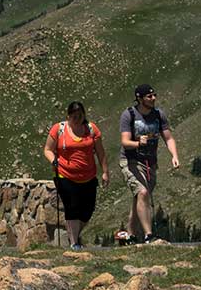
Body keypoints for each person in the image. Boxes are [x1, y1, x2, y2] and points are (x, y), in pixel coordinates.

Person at [119, 84, 180, 243]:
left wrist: (174, 155)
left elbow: (168, 137)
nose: (153, 99)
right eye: (149, 96)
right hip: (130, 161)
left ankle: (130, 236)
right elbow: (125, 142)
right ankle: (148, 235)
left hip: (150, 163)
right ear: (139, 98)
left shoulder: (159, 115)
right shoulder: (129, 115)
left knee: (139, 197)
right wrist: (138, 143)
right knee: (143, 193)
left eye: (154, 95)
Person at [44, 101, 109, 250]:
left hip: (88, 176)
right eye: (74, 116)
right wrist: (53, 160)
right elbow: (48, 149)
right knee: (71, 207)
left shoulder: (92, 130)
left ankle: (75, 233)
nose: (77, 119)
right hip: (65, 175)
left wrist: (105, 172)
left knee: (87, 210)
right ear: (68, 116)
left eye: (80, 116)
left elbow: (100, 152)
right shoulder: (58, 129)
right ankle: (74, 242)